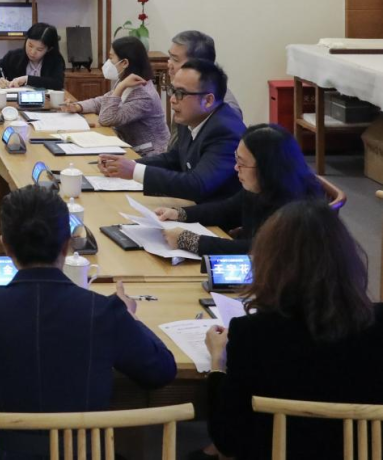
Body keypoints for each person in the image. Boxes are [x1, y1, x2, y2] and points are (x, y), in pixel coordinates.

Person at [0, 185, 176, 460]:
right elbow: (161, 371)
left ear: (4, 245)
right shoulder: (105, 313)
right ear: (67, 245)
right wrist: (130, 317)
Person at [205, 201, 383, 460]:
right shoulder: (376, 324)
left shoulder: (251, 334)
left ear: (270, 263)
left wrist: (217, 364)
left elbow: (227, 440)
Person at [155, 123, 323, 255]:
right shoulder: (264, 185)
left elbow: (256, 250)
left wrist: (189, 241)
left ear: (267, 168)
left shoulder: (296, 209)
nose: (236, 167)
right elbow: (227, 210)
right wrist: (179, 214)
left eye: (242, 163)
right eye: (237, 159)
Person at [97, 59, 244, 203]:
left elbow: (198, 185)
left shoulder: (225, 131)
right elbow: (174, 159)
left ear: (208, 100)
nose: (172, 99)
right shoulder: (190, 118)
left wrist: (134, 171)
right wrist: (127, 164)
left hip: (217, 216)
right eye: (172, 91)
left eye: (180, 93)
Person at [63, 36, 170, 154]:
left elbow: (106, 119)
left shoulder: (144, 95)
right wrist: (78, 106)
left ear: (124, 63)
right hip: (127, 145)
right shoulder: (126, 81)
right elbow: (103, 101)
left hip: (147, 154)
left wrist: (120, 87)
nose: (107, 63)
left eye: (111, 58)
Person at [168, 30, 242, 118]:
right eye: (170, 57)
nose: (169, 64)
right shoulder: (183, 93)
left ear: (198, 65)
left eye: (175, 60)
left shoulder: (228, 114)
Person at [0, 23, 65, 90]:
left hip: (45, 103)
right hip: (13, 103)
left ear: (49, 49)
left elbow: (57, 84)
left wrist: (27, 79)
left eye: (39, 49)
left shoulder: (56, 59)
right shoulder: (12, 57)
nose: (32, 52)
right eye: (30, 45)